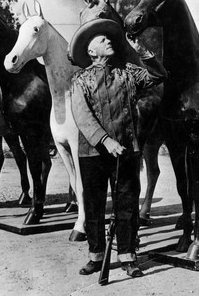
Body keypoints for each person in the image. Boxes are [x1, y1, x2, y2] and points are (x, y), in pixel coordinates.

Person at [68, 19, 167, 278]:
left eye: (109, 38)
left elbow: (159, 76)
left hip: (126, 152)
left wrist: (143, 50)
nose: (108, 41)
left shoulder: (128, 73)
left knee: (127, 205)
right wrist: (105, 140)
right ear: (91, 52)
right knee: (94, 206)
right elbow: (82, 114)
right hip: (92, 153)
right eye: (101, 40)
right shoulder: (79, 79)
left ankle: (128, 257)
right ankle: (96, 256)